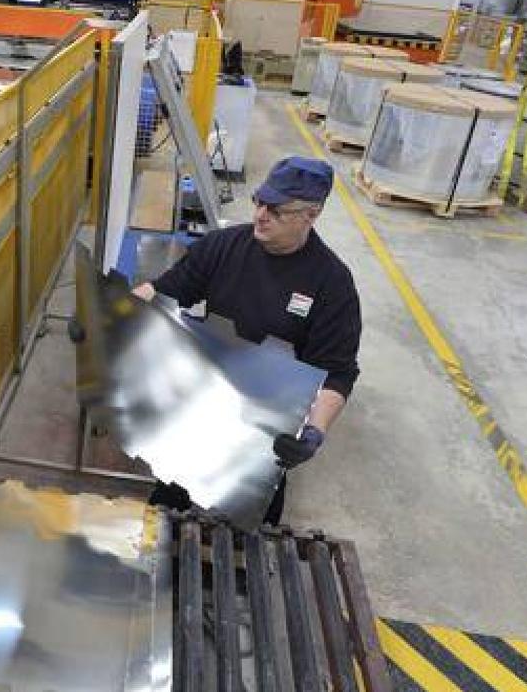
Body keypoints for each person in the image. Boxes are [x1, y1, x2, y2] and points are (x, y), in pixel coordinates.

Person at [135, 156, 362, 520]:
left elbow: (337, 372)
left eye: (277, 210)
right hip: (206, 402)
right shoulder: (223, 247)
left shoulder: (332, 284)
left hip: (267, 424)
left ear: (312, 214)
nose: (260, 215)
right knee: (166, 513)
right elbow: (166, 291)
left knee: (245, 529)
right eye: (259, 201)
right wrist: (109, 311)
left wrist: (313, 432)